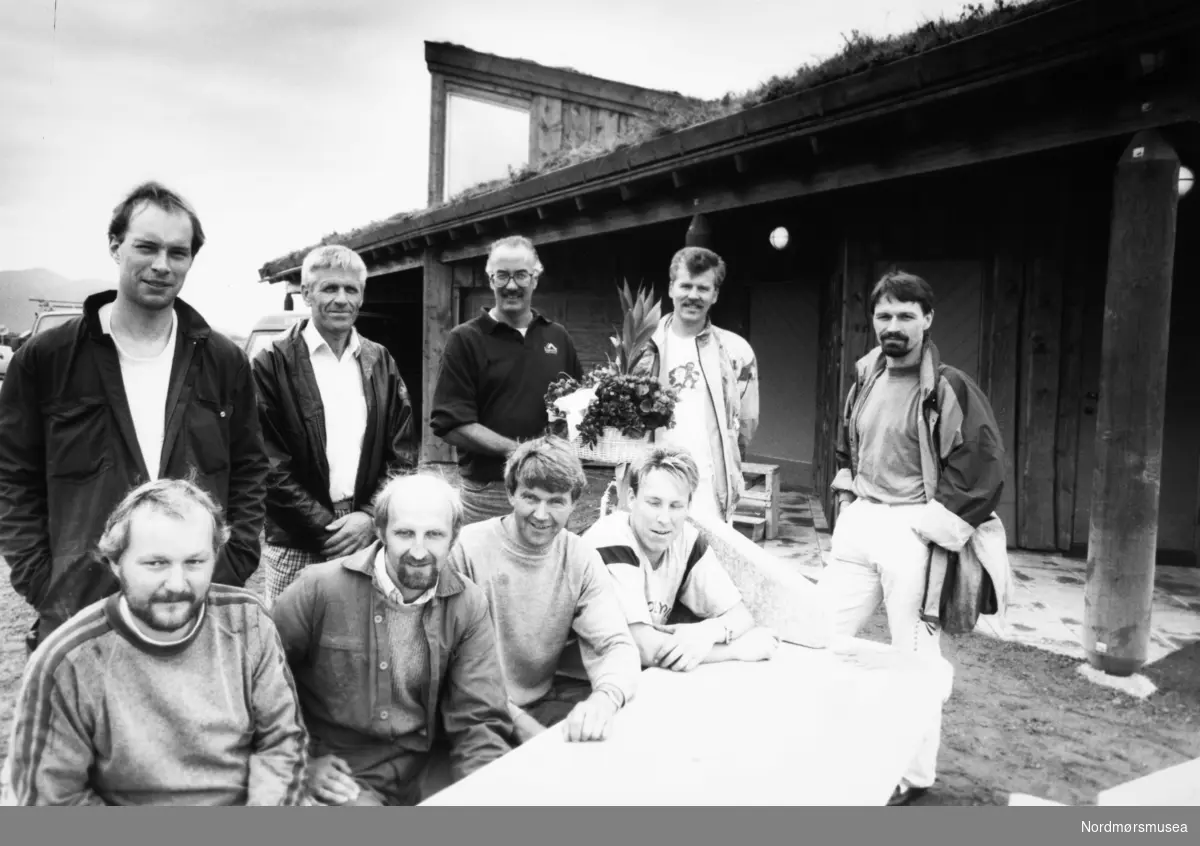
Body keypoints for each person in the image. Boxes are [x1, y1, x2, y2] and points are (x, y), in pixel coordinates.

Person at [0, 181, 269, 652]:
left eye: (178, 253)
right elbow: (13, 476)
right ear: (115, 246)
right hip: (79, 612)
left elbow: (249, 468)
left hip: (193, 608)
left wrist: (230, 562)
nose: (162, 265)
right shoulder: (47, 359)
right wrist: (42, 579)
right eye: (146, 247)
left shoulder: (223, 362)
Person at [819, 269, 1009, 806]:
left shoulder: (948, 386)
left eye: (906, 315)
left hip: (914, 529)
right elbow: (847, 445)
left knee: (916, 658)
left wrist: (932, 527)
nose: (894, 325)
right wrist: (847, 502)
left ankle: (912, 773)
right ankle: (826, 737)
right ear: (872, 320)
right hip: (861, 524)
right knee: (818, 630)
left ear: (927, 319)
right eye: (884, 315)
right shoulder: (866, 377)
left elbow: (981, 464)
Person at [1, 478, 308, 806]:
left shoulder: (248, 622)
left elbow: (281, 743)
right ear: (115, 563)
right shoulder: (66, 661)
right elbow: (49, 799)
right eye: (156, 563)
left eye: (194, 562)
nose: (177, 584)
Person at [271, 473, 513, 807]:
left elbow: (479, 718)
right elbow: (259, 688)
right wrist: (300, 761)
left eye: (433, 535)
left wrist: (482, 795)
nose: (418, 550)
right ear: (381, 530)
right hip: (344, 772)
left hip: (426, 766)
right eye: (404, 533)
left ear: (454, 537)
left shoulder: (468, 604)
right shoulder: (317, 589)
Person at [252, 245, 415, 607]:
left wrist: (370, 516)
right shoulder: (271, 364)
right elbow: (267, 463)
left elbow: (402, 453)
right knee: (288, 648)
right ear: (306, 293)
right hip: (296, 537)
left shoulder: (380, 361)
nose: (341, 299)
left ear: (362, 296)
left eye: (351, 289)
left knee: (359, 645)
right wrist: (327, 526)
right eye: (329, 288)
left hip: (365, 532)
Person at [450, 436, 640, 745]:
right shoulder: (466, 550)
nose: (541, 514)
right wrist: (530, 732)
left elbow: (616, 645)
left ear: (573, 504)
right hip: (472, 710)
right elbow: (454, 666)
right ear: (511, 494)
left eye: (555, 501)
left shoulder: (580, 557)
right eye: (531, 498)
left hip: (542, 700)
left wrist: (602, 701)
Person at [583, 445, 778, 672]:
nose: (664, 518)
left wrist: (708, 632)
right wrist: (735, 650)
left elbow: (740, 615)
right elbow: (642, 648)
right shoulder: (611, 538)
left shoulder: (686, 541)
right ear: (631, 498)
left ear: (688, 506)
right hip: (571, 686)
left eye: (676, 506)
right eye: (654, 503)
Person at [430, 236, 583, 524]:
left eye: (521, 275)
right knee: (484, 569)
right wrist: (520, 451)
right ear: (490, 279)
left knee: (548, 568)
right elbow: (449, 423)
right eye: (502, 275)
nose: (511, 285)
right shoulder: (466, 339)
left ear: (535, 279)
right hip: (489, 493)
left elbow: (576, 412)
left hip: (549, 489)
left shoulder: (558, 337)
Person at [628, 246, 759, 525]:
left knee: (703, 563)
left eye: (703, 288)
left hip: (710, 487)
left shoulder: (736, 352)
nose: (693, 295)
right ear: (672, 288)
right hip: (651, 482)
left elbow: (746, 425)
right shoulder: (642, 348)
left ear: (715, 294)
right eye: (686, 285)